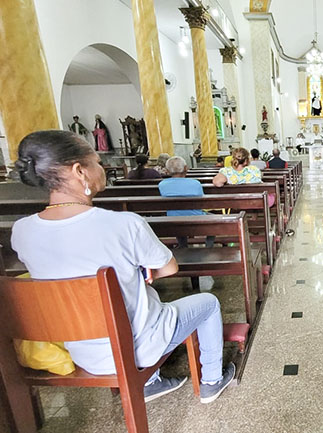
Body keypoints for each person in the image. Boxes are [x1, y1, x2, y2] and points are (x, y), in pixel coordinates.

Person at [11, 130, 235, 403]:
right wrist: (140, 271)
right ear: (79, 171)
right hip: (135, 347)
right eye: (96, 162)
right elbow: (168, 269)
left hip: (81, 352)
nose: (102, 168)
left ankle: (152, 382)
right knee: (207, 302)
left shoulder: (22, 231)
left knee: (129, 295)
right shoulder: (123, 224)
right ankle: (212, 379)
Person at [158, 156, 214, 248]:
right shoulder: (195, 183)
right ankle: (209, 247)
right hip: (196, 218)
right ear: (185, 168)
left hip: (172, 218)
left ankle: (182, 245)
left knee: (178, 213)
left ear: (167, 170)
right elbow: (202, 202)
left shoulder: (162, 184)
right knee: (214, 221)